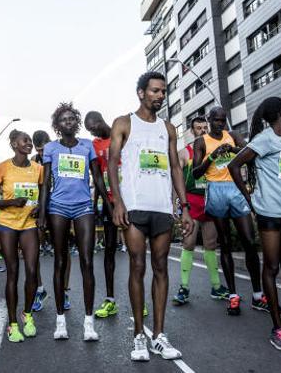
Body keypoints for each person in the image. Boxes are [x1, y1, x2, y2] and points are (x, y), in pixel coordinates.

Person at [108, 72, 186, 361]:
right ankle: (139, 335)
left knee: (162, 267)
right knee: (138, 266)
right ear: (141, 93)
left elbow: (176, 168)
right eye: (155, 91)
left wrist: (184, 207)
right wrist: (118, 203)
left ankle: (159, 336)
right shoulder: (124, 123)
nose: (160, 96)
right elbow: (112, 163)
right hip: (135, 208)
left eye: (163, 92)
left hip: (163, 208)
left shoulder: (168, 128)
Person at [229, 97, 281, 352]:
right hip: (267, 211)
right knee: (273, 266)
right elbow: (235, 165)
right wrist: (249, 197)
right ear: (280, 113)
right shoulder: (264, 139)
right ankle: (278, 328)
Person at [38, 103, 109, 341]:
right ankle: (61, 320)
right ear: (57, 125)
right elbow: (46, 182)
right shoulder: (50, 148)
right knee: (60, 260)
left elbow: (97, 176)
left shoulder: (87, 146)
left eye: (71, 118)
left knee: (87, 261)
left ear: (76, 122)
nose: (68, 122)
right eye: (63, 119)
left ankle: (88, 323)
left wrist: (108, 203)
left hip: (83, 206)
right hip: (57, 207)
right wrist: (41, 214)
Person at [189, 106, 264, 315]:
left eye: (223, 120)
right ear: (209, 120)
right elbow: (195, 173)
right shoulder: (201, 142)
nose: (220, 124)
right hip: (216, 190)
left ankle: (258, 295)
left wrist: (232, 150)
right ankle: (232, 295)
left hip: (235, 187)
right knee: (226, 244)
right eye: (217, 120)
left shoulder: (232, 135)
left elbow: (251, 154)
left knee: (249, 242)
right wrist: (212, 157)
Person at [0, 130, 42, 342]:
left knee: (31, 271)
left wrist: (40, 209)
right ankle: (12, 324)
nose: (29, 143)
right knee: (13, 271)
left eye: (30, 141)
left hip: (29, 223)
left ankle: (27, 315)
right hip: (7, 224)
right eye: (25, 140)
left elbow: (44, 194)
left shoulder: (38, 169)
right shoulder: (2, 167)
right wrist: (11, 202)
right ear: (14, 144)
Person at [174, 116, 227, 305]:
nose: (203, 130)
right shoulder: (184, 153)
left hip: (211, 201)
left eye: (205, 127)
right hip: (192, 203)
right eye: (198, 128)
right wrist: (176, 204)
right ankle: (184, 287)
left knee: (210, 245)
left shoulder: (215, 150)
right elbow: (177, 179)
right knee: (188, 243)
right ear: (192, 131)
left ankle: (215, 285)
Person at [84, 111, 120, 319]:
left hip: (130, 199)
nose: (93, 132)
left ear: (100, 122)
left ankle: (140, 301)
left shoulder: (120, 134)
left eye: (93, 127)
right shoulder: (94, 146)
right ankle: (110, 300)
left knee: (136, 251)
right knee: (109, 249)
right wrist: (101, 204)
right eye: (89, 130)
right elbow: (97, 177)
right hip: (109, 201)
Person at [30, 130, 51, 311]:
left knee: (62, 252)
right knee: (33, 251)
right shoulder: (33, 162)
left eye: (44, 150)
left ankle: (65, 291)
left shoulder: (59, 155)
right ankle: (40, 289)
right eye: (39, 151)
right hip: (40, 208)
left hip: (59, 206)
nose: (42, 154)